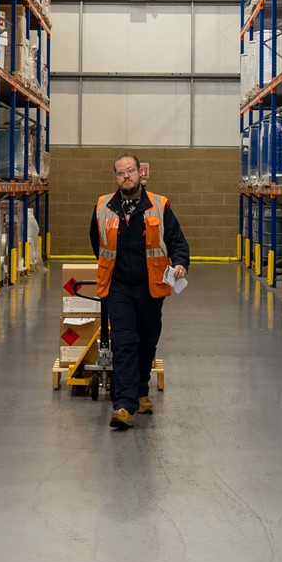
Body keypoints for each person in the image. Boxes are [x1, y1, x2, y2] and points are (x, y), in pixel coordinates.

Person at [90, 152, 189, 430]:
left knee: (147, 342)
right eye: (120, 173)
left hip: (150, 288)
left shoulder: (159, 205)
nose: (126, 176)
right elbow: (96, 243)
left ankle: (142, 391)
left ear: (140, 173)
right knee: (124, 343)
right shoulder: (103, 206)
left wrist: (180, 263)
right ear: (116, 177)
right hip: (118, 287)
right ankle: (124, 405)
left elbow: (177, 241)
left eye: (130, 171)